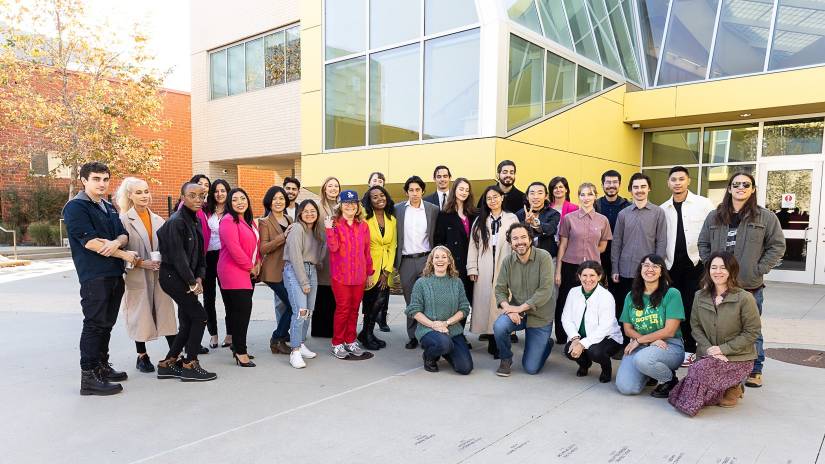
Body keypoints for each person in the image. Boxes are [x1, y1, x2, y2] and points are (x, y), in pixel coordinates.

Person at [698, 171, 785, 388]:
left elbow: (777, 246)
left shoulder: (765, 217)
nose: (741, 188)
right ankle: (722, 363)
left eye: (746, 184)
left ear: (753, 189)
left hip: (748, 285)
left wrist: (759, 269)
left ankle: (755, 369)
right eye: (736, 184)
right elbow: (703, 243)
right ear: (729, 189)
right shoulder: (714, 216)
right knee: (719, 327)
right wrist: (712, 267)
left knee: (750, 328)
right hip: (718, 285)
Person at [64, 162, 134, 395]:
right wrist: (124, 253)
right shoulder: (76, 207)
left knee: (106, 324)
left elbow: (122, 234)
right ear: (84, 180)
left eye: (105, 179)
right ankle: (89, 378)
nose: (102, 184)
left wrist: (115, 243)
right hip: (94, 276)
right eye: (96, 179)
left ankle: (102, 367)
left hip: (114, 273)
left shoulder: (108, 206)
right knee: (94, 325)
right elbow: (92, 243)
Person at [668, 252, 761, 416]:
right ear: (708, 271)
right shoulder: (699, 296)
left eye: (723, 268)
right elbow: (695, 327)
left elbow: (751, 332)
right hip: (708, 353)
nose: (718, 271)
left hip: (738, 357)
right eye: (714, 267)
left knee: (700, 372)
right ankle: (724, 387)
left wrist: (722, 349)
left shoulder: (745, 298)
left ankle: (734, 385)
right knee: (697, 371)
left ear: (732, 270)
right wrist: (710, 349)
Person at [156, 182, 217, 382]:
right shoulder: (176, 222)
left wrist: (199, 276)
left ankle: (168, 364)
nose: (198, 199)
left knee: (188, 321)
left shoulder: (196, 220)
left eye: (202, 195)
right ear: (182, 197)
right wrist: (192, 282)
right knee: (200, 316)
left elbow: (200, 254)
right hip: (174, 277)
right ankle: (190, 364)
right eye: (192, 195)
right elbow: (177, 257)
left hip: (187, 277)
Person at [115, 177, 176, 373]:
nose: (144, 196)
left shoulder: (159, 220)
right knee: (140, 315)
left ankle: (174, 355)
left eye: (146, 191)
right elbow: (119, 254)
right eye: (139, 192)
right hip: (137, 275)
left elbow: (167, 247)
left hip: (159, 274)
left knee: (165, 313)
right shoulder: (123, 221)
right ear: (130, 196)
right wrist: (141, 262)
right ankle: (142, 356)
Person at [660, 166, 714, 366]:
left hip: (696, 264)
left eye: (681, 179)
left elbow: (713, 230)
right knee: (674, 307)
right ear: (669, 183)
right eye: (673, 179)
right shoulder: (663, 208)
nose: (677, 182)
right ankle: (676, 344)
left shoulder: (703, 204)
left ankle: (692, 348)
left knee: (694, 307)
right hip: (672, 266)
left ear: (688, 181)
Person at [615, 254, 685, 397]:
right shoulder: (631, 295)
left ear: (661, 271)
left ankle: (669, 380)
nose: (650, 269)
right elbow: (627, 329)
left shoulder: (672, 294)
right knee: (626, 387)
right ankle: (650, 372)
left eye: (655, 266)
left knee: (643, 359)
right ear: (640, 269)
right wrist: (649, 341)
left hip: (669, 345)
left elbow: (669, 331)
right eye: (646, 265)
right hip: (641, 345)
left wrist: (640, 340)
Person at [492, 223, 555, 376]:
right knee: (499, 326)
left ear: (530, 239)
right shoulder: (508, 261)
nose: (520, 242)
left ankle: (546, 343)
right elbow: (500, 289)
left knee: (531, 368)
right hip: (517, 314)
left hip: (540, 317)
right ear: (510, 243)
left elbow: (545, 290)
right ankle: (506, 358)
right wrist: (508, 308)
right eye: (515, 239)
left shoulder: (543, 257)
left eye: (523, 237)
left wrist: (518, 309)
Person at [611, 173, 667, 338]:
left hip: (648, 271)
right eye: (635, 187)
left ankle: (646, 339)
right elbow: (616, 243)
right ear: (630, 190)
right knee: (626, 306)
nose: (639, 190)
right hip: (626, 269)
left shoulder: (658, 213)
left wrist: (658, 269)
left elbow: (661, 242)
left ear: (649, 188)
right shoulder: (623, 214)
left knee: (647, 307)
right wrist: (615, 268)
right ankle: (624, 341)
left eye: (643, 186)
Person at [555, 183, 611, 345]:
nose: (586, 198)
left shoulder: (603, 220)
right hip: (570, 266)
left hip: (592, 268)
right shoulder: (568, 219)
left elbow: (602, 246)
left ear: (595, 196)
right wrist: (558, 271)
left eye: (590, 194)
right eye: (583, 194)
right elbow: (563, 245)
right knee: (565, 300)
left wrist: (589, 254)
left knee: (591, 302)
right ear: (578, 197)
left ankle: (589, 337)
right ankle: (562, 335)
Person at [468, 185, 519, 357]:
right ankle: (491, 339)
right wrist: (472, 268)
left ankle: (500, 338)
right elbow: (473, 247)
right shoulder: (480, 220)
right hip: (484, 266)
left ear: (502, 198)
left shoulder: (511, 218)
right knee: (485, 302)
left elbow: (517, 243)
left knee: (502, 301)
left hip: (506, 264)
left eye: (496, 197)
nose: (493, 200)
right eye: (489, 198)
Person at [405, 246, 473, 374]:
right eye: (436, 257)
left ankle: (445, 350)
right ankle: (429, 357)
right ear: (431, 261)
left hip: (452, 329)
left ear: (449, 261)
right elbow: (413, 310)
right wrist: (433, 325)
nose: (440, 260)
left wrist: (446, 323)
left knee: (465, 368)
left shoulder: (456, 282)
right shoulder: (422, 283)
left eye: (444, 257)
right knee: (444, 343)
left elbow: (464, 309)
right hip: (428, 329)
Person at [325, 190, 374, 359]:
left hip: (359, 276)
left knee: (354, 310)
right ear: (341, 205)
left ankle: (350, 340)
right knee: (343, 309)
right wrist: (329, 230)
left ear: (358, 206)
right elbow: (333, 248)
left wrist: (369, 272)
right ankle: (337, 343)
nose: (350, 206)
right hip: (341, 276)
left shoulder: (364, 226)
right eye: (346, 203)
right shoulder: (335, 224)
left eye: (353, 203)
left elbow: (367, 251)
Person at [395, 175, 440, 349]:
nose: (414, 193)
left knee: (428, 299)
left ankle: (427, 333)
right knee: (411, 300)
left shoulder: (432, 209)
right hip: (406, 260)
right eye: (411, 190)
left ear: (422, 191)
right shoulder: (398, 209)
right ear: (406, 192)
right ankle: (412, 335)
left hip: (426, 259)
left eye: (417, 190)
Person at [217, 188, 261, 368]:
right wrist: (250, 267)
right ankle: (240, 352)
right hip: (232, 271)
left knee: (239, 312)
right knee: (242, 312)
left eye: (243, 198)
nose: (240, 202)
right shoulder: (228, 221)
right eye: (235, 200)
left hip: (247, 271)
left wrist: (258, 262)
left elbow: (255, 245)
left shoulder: (249, 221)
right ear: (229, 203)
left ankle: (237, 345)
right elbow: (234, 249)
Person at [561, 261, 623, 383]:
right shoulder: (573, 292)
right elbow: (566, 318)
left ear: (599, 277)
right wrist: (575, 338)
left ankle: (606, 368)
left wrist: (583, 344)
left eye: (592, 275)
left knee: (595, 351)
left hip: (608, 337)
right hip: (580, 336)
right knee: (569, 351)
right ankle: (585, 364)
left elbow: (605, 327)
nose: (588, 279)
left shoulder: (606, 296)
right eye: (584, 275)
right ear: (579, 276)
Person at [282, 199, 325, 368]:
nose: (309, 214)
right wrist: (303, 281)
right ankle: (295, 351)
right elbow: (295, 256)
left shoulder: (316, 231)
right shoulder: (297, 228)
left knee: (309, 311)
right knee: (300, 311)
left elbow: (322, 250)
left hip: (311, 269)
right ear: (300, 213)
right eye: (305, 211)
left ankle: (300, 342)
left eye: (313, 211)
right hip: (295, 270)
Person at [360, 185, 396, 349]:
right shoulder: (365, 219)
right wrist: (369, 270)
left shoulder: (392, 219)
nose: (379, 199)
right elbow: (362, 246)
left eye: (382, 195)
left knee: (380, 301)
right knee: (370, 303)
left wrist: (387, 270)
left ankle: (368, 332)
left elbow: (393, 245)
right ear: (370, 200)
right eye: (375, 197)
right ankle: (366, 334)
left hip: (385, 267)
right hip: (368, 266)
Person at [259, 186, 293, 356]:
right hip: (272, 272)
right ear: (269, 202)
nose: (278, 202)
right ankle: (277, 338)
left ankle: (281, 337)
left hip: (289, 270)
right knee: (292, 305)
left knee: (292, 305)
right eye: (275, 199)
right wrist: (283, 237)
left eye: (281, 198)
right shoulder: (264, 222)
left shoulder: (290, 219)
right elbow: (263, 248)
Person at [434, 177, 478, 309]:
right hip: (453, 265)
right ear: (454, 190)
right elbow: (438, 242)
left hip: (471, 263)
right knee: (454, 302)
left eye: (467, 190)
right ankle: (456, 330)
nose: (464, 192)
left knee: (469, 300)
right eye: (461, 189)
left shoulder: (473, 214)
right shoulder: (444, 214)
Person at [595, 170, 630, 314]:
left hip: (620, 256)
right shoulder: (595, 204)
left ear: (620, 184)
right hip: (598, 254)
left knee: (618, 293)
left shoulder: (627, 206)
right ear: (602, 184)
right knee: (597, 291)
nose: (611, 185)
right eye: (608, 182)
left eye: (615, 182)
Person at [203, 179, 232, 349]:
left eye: (223, 190)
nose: (220, 194)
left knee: (228, 296)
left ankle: (230, 334)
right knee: (209, 298)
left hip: (226, 256)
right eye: (216, 191)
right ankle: (213, 334)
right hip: (208, 257)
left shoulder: (232, 210)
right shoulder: (206, 211)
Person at [313, 176, 340, 338]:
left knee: (334, 294)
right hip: (321, 254)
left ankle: (332, 328)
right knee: (322, 293)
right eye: (330, 186)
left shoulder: (342, 207)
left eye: (336, 186)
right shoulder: (317, 206)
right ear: (324, 188)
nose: (333, 189)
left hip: (338, 256)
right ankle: (319, 329)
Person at [516, 181, 560, 258]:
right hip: (524, 257)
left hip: (547, 257)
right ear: (527, 196)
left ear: (546, 196)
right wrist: (526, 223)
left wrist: (537, 224)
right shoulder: (519, 214)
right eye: (532, 193)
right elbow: (516, 234)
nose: (536, 197)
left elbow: (551, 229)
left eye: (540, 193)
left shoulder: (554, 213)